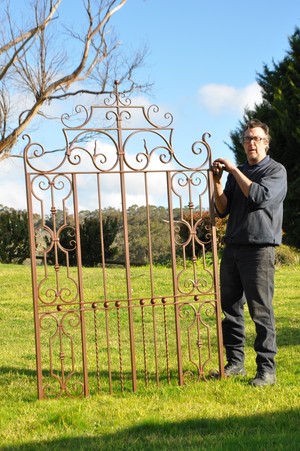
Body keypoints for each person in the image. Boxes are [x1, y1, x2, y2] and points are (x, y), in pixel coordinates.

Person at [212, 119, 287, 387]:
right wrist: (219, 182)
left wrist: (233, 170)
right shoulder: (238, 173)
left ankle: (266, 370)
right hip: (232, 248)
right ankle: (235, 364)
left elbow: (257, 197)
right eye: (247, 139)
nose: (251, 143)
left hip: (259, 250)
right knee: (230, 309)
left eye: (256, 139)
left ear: (266, 143)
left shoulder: (275, 171)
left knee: (260, 311)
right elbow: (222, 209)